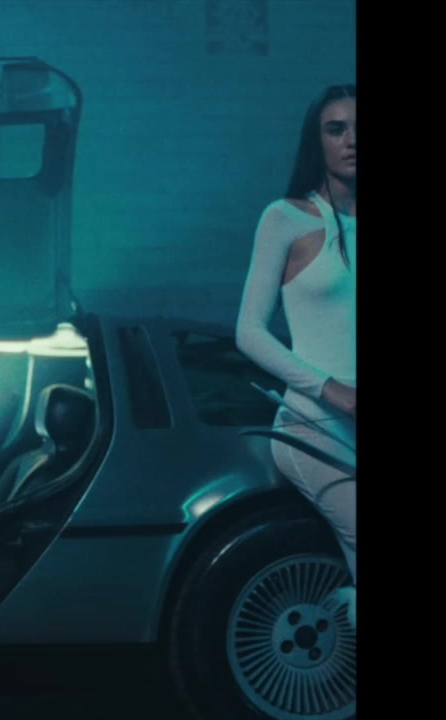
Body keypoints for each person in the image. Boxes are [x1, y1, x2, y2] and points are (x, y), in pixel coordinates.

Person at [235, 84, 356, 628]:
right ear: (317, 140)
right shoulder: (286, 218)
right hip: (314, 429)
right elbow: (249, 332)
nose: (352, 140)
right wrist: (335, 391)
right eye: (337, 128)